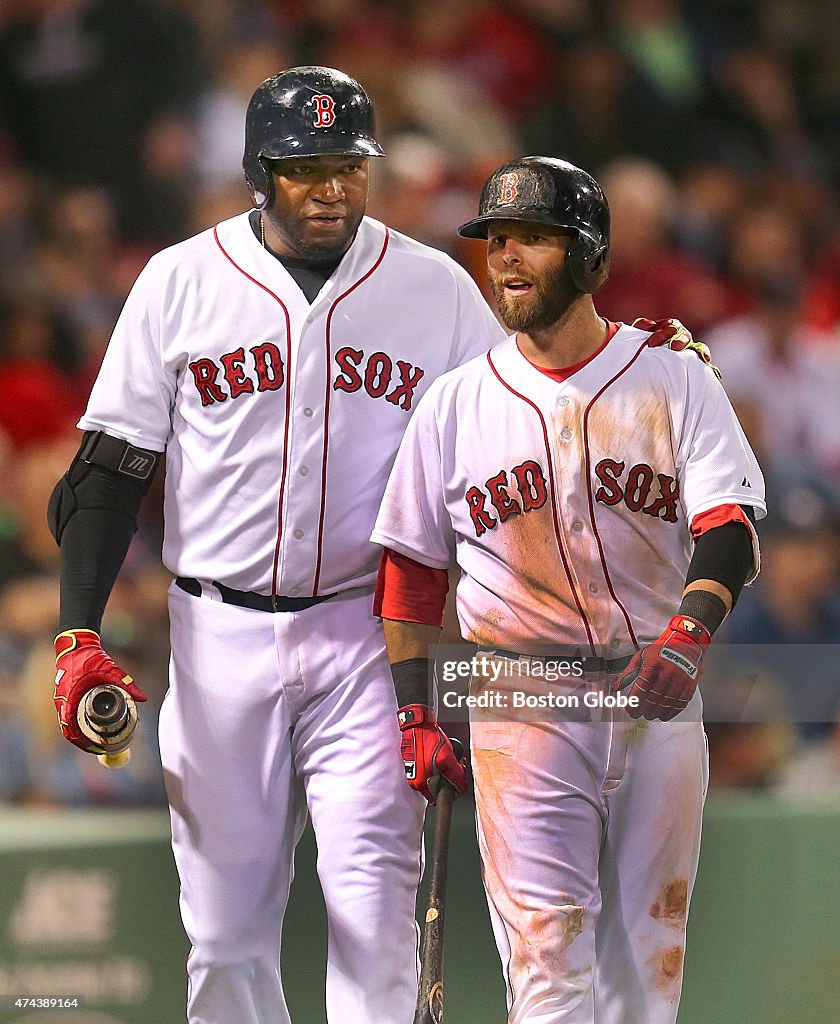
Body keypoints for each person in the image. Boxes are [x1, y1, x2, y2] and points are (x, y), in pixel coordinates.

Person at [46, 66, 509, 1024]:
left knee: (377, 916)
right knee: (222, 936)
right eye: (306, 168)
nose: (332, 187)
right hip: (216, 638)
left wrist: (473, 648)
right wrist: (77, 632)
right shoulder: (181, 279)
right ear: (261, 172)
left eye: (349, 164)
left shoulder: (436, 291)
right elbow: (108, 472)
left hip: (368, 636)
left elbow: (493, 475)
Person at [371, 156, 766, 1023]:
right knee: (547, 966)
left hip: (657, 693)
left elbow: (730, 529)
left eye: (535, 239)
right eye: (496, 239)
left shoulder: (673, 375)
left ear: (589, 258)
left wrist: (692, 634)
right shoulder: (455, 404)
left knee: (647, 977)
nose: (507, 257)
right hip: (521, 697)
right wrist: (415, 713)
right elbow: (409, 573)